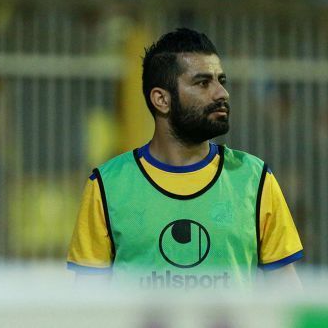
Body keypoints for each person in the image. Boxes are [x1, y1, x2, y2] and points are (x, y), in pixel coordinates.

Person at [67, 28, 303, 289]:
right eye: (203, 83)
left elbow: (287, 294)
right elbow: (87, 301)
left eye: (221, 81)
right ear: (161, 99)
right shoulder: (107, 184)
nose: (222, 93)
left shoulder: (255, 179)